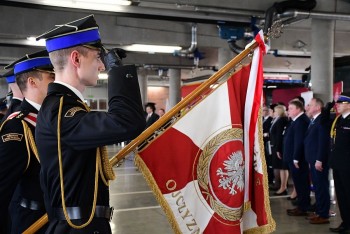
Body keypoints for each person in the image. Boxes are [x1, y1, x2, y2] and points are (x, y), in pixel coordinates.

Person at [35, 15, 145, 233]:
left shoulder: (65, 106)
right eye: (98, 57)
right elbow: (128, 122)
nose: (102, 65)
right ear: (76, 59)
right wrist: (118, 71)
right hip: (77, 228)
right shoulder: (61, 110)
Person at [0, 50, 54, 234]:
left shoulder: (51, 119)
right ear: (32, 82)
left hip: (57, 220)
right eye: (51, 78)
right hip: (32, 221)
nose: (58, 83)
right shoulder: (18, 126)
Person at [304, 98, 330, 224]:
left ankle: (323, 214)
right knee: (317, 187)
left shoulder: (322, 121)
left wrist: (319, 159)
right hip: (313, 159)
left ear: (318, 107)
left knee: (321, 187)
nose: (307, 107)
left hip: (318, 160)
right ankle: (319, 211)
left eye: (310, 105)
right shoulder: (314, 120)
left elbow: (323, 142)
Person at [284, 99, 311, 216]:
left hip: (298, 160)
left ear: (298, 109)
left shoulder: (300, 121)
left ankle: (303, 207)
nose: (288, 111)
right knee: (299, 183)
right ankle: (301, 205)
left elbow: (299, 142)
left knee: (302, 183)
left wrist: (296, 158)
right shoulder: (296, 121)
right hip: (294, 158)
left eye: (291, 108)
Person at [329, 93, 350, 233]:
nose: (338, 105)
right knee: (341, 195)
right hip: (337, 163)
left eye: (341, 103)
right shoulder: (338, 120)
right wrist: (328, 107)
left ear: (348, 104)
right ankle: (346, 222)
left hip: (348, 164)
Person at [269, 104, 289, 195]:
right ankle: (281, 186)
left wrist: (278, 149)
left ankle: (283, 187)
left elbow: (279, 136)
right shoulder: (276, 119)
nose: (274, 112)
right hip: (275, 146)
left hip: (279, 147)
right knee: (279, 167)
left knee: (282, 167)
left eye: (275, 111)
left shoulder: (281, 120)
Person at [262, 105, 273, 185]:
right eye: (262, 110)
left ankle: (270, 179)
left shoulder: (270, 120)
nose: (263, 112)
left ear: (268, 111)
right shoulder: (261, 119)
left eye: (265, 110)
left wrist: (265, 134)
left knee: (269, 161)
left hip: (268, 143)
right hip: (262, 143)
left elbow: (270, 132)